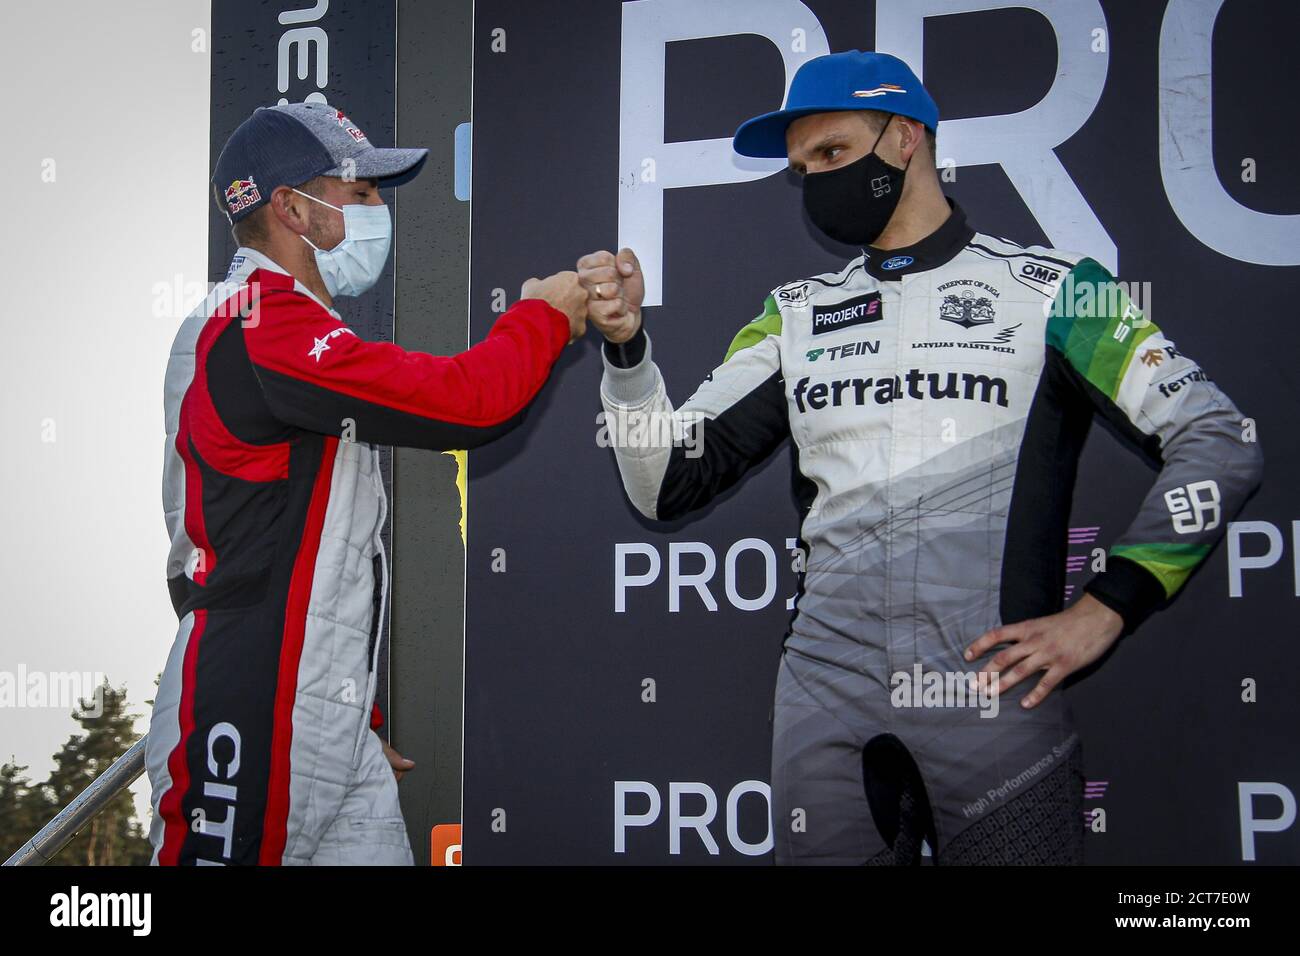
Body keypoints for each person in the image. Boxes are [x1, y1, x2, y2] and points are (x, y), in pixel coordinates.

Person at [580, 51, 1262, 864]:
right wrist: (628, 356)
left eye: (832, 154)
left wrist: (1107, 608)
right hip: (824, 699)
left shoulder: (1058, 289)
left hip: (993, 701)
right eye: (802, 168)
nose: (816, 179)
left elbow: (1221, 439)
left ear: (906, 139)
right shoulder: (794, 316)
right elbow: (665, 484)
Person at [149, 101, 587, 865]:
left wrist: (350, 710)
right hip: (253, 697)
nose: (381, 210)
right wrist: (540, 317)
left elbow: (323, 546)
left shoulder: (284, 324)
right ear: (290, 207)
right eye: (361, 193)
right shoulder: (258, 321)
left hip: (326, 715)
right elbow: (466, 404)